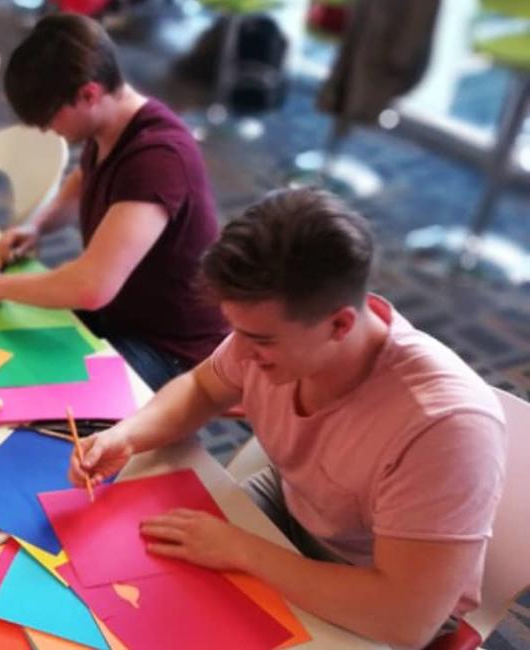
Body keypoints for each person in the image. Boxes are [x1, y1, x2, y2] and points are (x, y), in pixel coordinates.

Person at [70, 188, 507, 648]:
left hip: (373, 586)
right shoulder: (272, 328)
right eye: (237, 331)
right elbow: (203, 387)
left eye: (261, 341)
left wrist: (240, 549)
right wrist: (128, 435)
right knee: (136, 587)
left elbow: (403, 619)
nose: (241, 352)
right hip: (294, 510)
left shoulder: (444, 428)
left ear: (340, 325)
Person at [0, 13, 228, 389]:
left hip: (169, 348)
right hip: (120, 314)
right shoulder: (112, 125)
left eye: (49, 118)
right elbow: (85, 177)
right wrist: (37, 227)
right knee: (4, 349)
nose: (47, 129)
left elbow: (91, 287)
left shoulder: (158, 159)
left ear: (88, 94)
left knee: (46, 391)